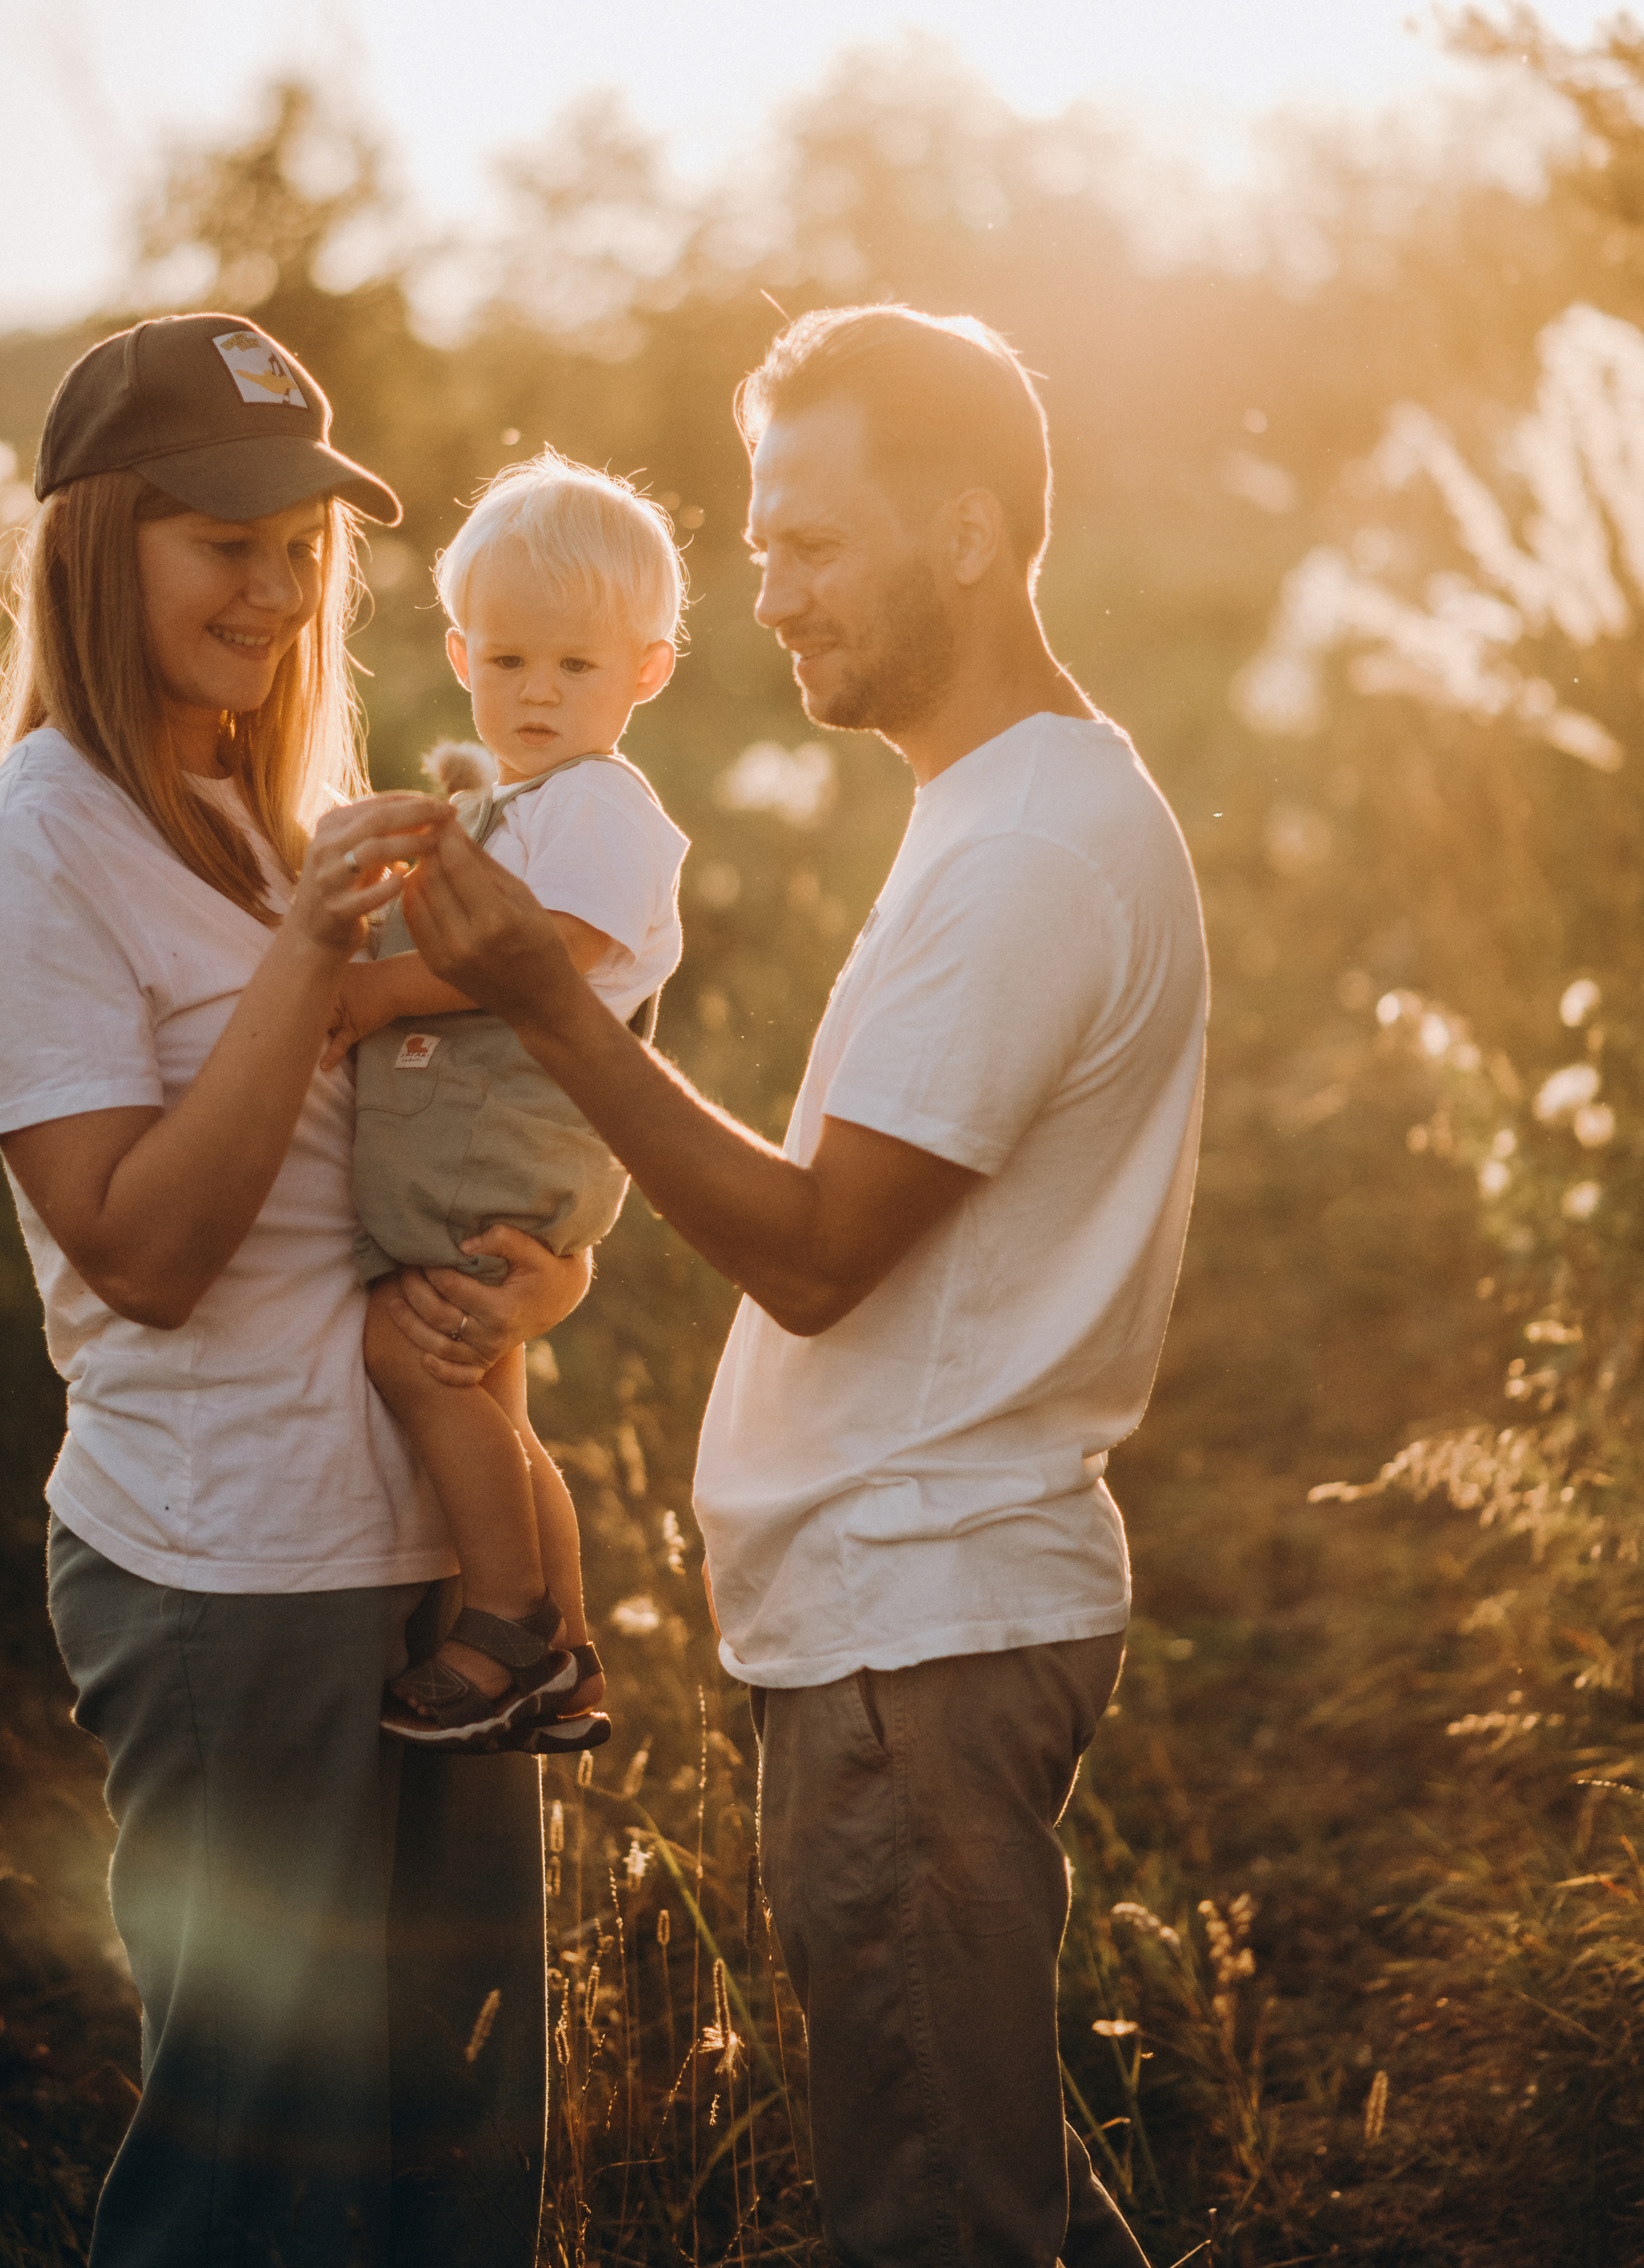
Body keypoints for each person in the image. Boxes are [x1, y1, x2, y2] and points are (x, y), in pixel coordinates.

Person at [386, 304, 1209, 2268]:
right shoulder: (1001, 810)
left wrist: (542, 1006)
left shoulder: (1030, 849)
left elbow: (820, 1252)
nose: (770, 593)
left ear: (970, 532)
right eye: (757, 546)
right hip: (894, 1619)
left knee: (939, 2217)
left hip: (916, 1630)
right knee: (1001, 2198)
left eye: (813, 543)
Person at [0, 311, 589, 2268]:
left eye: (303, 537)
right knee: (257, 2162)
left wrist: (526, 1283)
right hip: (230, 1578)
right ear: (95, 544)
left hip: (426, 1559)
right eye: (224, 536)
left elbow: (386, 1160)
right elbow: (136, 1254)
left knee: (452, 2134)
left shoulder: (269, 802)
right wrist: (311, 956)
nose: (279, 577)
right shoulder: (37, 851)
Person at [323, 451, 688, 1755]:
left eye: (576, 667)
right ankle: (568, 1655)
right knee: (491, 1397)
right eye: (512, 660)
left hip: (508, 1148)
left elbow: (549, 954)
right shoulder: (513, 800)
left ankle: (506, 1614)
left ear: (646, 670)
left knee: (406, 1356)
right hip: (474, 1150)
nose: (537, 692)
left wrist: (377, 997)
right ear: (464, 649)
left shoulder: (602, 805)